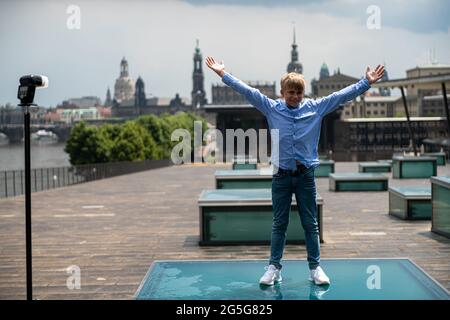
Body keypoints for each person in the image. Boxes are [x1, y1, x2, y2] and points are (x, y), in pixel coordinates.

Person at [205, 56, 384, 286]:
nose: (295, 97)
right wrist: (223, 74)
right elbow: (248, 91)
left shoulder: (316, 108)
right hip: (281, 176)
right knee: (279, 224)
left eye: (299, 92)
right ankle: (274, 268)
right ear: (282, 93)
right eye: (291, 92)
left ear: (303, 93)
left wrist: (365, 83)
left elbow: (340, 96)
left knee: (311, 223)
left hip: (305, 176)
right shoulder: (271, 108)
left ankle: (315, 268)